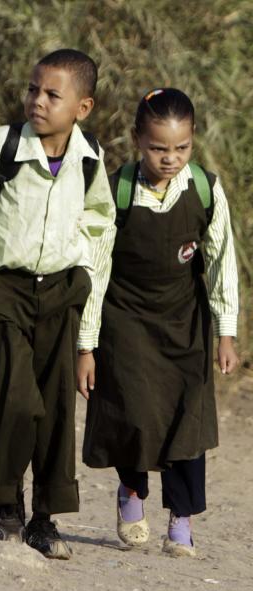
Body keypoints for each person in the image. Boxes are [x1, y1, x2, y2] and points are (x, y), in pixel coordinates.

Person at [0, 49, 116, 559]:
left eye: (52, 95)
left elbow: (101, 220)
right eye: (33, 89)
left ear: (82, 107)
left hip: (62, 292)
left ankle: (43, 520)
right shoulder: (2, 146)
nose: (37, 101)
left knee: (56, 409)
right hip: (3, 291)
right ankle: (3, 500)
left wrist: (79, 266)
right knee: (16, 400)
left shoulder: (89, 158)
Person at [80, 88, 240, 558]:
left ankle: (182, 521)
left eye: (181, 148)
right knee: (132, 412)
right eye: (158, 148)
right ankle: (131, 493)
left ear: (193, 142)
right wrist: (85, 346)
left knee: (187, 422)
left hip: (184, 324)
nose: (170, 158)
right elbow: (94, 269)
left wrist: (225, 332)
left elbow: (220, 262)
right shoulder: (116, 191)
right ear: (137, 141)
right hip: (126, 321)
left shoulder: (206, 190)